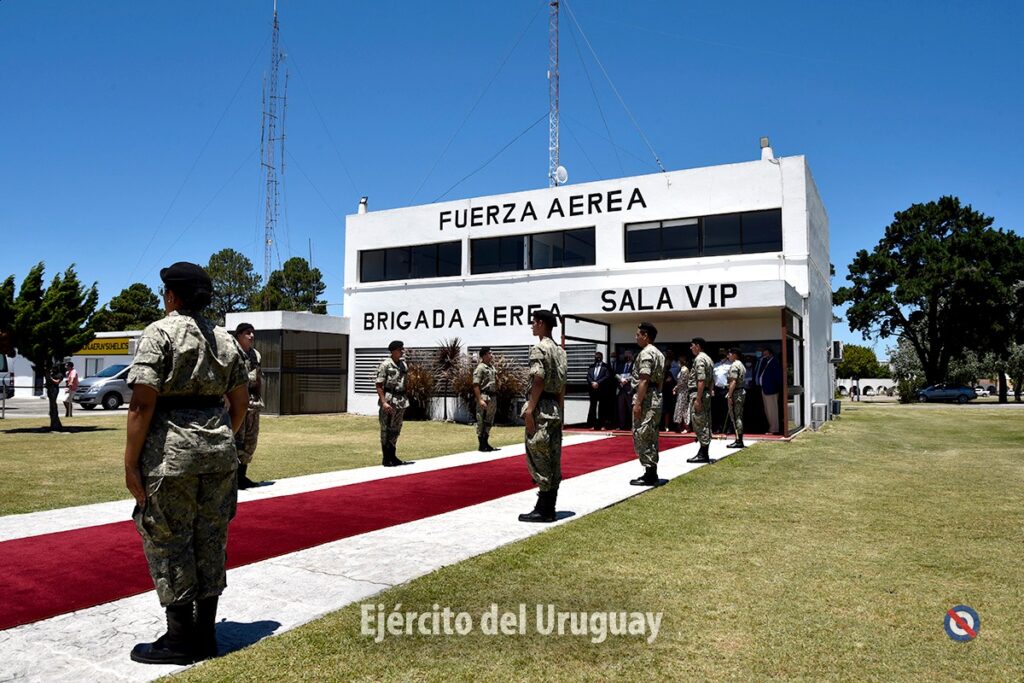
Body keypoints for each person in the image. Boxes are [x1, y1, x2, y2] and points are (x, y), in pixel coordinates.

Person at [124, 261, 249, 665]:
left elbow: (142, 404)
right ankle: (205, 635)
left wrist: (130, 464)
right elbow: (241, 403)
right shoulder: (225, 339)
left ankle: (179, 639)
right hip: (219, 454)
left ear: (172, 296)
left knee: (169, 538)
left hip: (171, 454)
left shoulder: (159, 333)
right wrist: (218, 439)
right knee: (211, 538)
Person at [518, 309, 566, 523]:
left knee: (538, 456)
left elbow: (538, 379)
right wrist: (560, 410)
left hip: (541, 407)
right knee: (553, 457)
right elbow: (562, 386)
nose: (532, 326)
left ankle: (544, 509)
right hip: (554, 407)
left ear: (541, 324)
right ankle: (548, 506)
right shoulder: (560, 351)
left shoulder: (539, 348)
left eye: (534, 322)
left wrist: (530, 410)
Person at [629, 322, 666, 486]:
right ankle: (650, 471)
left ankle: (650, 474)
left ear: (645, 336)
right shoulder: (659, 353)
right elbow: (660, 381)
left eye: (638, 334)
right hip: (655, 396)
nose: (636, 337)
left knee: (643, 433)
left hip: (647, 398)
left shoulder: (646, 353)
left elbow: (644, 379)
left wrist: (638, 403)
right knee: (651, 434)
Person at [232, 323, 264, 489]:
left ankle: (242, 476)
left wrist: (258, 395)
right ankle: (232, 479)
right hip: (237, 401)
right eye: (247, 333)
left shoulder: (255, 355)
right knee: (236, 440)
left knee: (250, 440)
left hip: (252, 403)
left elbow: (258, 377)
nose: (251, 336)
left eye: (252, 332)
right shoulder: (232, 352)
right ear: (238, 335)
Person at [376, 340, 412, 466]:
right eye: (400, 349)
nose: (402, 351)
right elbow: (379, 385)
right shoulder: (385, 365)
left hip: (401, 400)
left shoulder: (403, 365)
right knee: (386, 429)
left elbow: (405, 383)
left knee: (396, 429)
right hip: (389, 400)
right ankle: (386, 458)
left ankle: (393, 455)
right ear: (394, 351)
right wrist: (384, 402)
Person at [686, 337, 714, 463]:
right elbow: (711, 380)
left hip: (699, 394)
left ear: (697, 346)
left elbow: (701, 380)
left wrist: (698, 398)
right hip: (705, 393)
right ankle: (703, 452)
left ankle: (703, 454)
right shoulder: (708, 359)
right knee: (705, 422)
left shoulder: (700, 359)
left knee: (699, 422)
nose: (691, 348)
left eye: (692, 345)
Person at [473, 347, 498, 452]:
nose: (491, 355)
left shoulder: (491, 367)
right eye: (489, 353)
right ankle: (481, 444)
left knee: (489, 420)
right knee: (481, 420)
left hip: (492, 397)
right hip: (484, 396)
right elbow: (476, 385)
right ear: (483, 355)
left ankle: (486, 442)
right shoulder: (480, 368)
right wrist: (480, 400)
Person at [755, 346, 783, 434]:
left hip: (771, 390)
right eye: (764, 354)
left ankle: (774, 429)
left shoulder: (774, 363)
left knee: (772, 411)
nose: (764, 356)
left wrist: (775, 388)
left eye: (766, 354)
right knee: (768, 410)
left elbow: (778, 378)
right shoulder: (766, 362)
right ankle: (771, 428)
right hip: (765, 389)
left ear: (771, 354)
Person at [725, 348, 747, 448]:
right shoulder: (741, 364)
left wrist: (729, 395)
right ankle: (738, 439)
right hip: (740, 391)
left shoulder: (735, 365)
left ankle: (739, 440)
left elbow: (733, 381)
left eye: (729, 354)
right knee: (738, 416)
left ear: (734, 354)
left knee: (736, 416)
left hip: (736, 392)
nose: (728, 356)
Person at [585, 351, 611, 429]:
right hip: (593, 390)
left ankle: (602, 424)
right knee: (593, 407)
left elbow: (607, 376)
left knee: (602, 407)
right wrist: (592, 382)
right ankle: (591, 424)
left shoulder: (606, 367)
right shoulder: (591, 366)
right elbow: (588, 376)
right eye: (596, 357)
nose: (597, 358)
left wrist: (598, 383)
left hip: (602, 390)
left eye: (599, 357)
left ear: (602, 357)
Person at [712, 352, 731, 433]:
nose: (722, 357)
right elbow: (713, 378)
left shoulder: (730, 365)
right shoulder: (716, 365)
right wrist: (712, 389)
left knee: (726, 409)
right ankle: (719, 427)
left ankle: (728, 428)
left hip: (726, 389)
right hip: (717, 390)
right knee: (717, 410)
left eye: (723, 355)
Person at [616, 350, 634, 430]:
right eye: (625, 355)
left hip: (630, 389)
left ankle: (632, 426)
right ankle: (622, 426)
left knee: (631, 408)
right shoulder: (621, 365)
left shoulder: (634, 365)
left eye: (628, 355)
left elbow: (635, 375)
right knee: (621, 408)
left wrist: (626, 379)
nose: (627, 357)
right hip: (621, 389)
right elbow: (616, 374)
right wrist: (621, 379)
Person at [673, 358, 691, 432]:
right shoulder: (682, 369)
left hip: (684, 391)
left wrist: (675, 388)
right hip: (681, 391)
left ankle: (686, 427)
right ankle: (680, 426)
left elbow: (682, 382)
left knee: (683, 408)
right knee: (680, 408)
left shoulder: (684, 370)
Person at [661, 349, 677, 431]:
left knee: (667, 410)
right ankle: (661, 425)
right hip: (661, 392)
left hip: (667, 394)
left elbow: (673, 382)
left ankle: (666, 425)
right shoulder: (660, 372)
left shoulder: (669, 372)